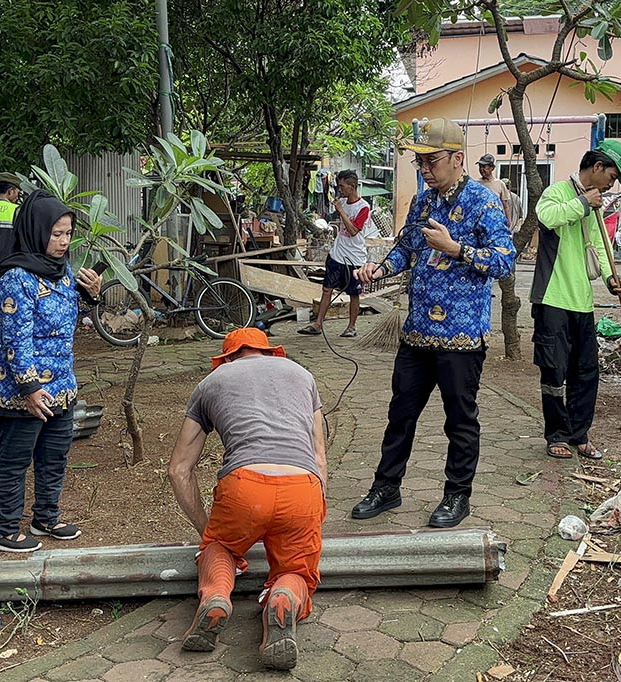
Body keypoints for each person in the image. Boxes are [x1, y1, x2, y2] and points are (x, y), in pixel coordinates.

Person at [349, 118, 516, 528]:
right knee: (400, 414)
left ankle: (457, 496)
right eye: (419, 162)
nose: (425, 169)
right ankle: (386, 487)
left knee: (459, 421)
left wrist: (456, 248)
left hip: (461, 336)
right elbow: (405, 249)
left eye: (432, 160)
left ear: (457, 159)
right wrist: (378, 269)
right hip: (418, 332)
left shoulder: (483, 203)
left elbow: (505, 261)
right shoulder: (422, 202)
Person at [168, 328, 326, 671]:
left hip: (243, 486)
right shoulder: (302, 375)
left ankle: (215, 596)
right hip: (302, 485)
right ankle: (284, 597)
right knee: (296, 570)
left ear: (226, 359)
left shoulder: (211, 383)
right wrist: (313, 516)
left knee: (220, 548)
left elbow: (178, 469)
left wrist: (209, 534)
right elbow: (319, 458)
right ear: (269, 352)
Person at [0, 190, 103, 553]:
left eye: (68, 234)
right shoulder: (15, 278)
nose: (64, 242)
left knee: (54, 455)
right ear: (35, 231)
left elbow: (65, 320)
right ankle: (1, 529)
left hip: (60, 383)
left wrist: (90, 296)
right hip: (21, 389)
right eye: (56, 234)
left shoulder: (61, 272)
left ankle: (46, 517)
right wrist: (30, 388)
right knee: (14, 459)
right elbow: (16, 339)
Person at [530, 140, 621, 460]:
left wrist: (610, 276)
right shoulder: (558, 192)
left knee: (586, 372)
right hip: (552, 299)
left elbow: (600, 244)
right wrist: (583, 202)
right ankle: (557, 434)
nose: (612, 184)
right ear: (597, 167)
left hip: (582, 303)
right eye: (613, 176)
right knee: (553, 373)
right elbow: (546, 216)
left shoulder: (596, 204)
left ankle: (579, 434)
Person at [298, 170, 371, 338]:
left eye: (342, 186)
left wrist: (341, 211)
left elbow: (353, 231)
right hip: (337, 254)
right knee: (327, 289)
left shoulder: (363, 207)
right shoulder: (342, 202)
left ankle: (351, 327)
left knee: (354, 294)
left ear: (352, 187)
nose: (340, 190)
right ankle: (318, 324)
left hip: (355, 258)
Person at [476, 154, 515, 229]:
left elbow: (506, 206)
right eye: (480, 166)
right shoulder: (476, 184)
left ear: (492, 168)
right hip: (479, 222)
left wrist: (509, 221)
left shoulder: (500, 184)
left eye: (484, 167)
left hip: (495, 222)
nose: (481, 169)